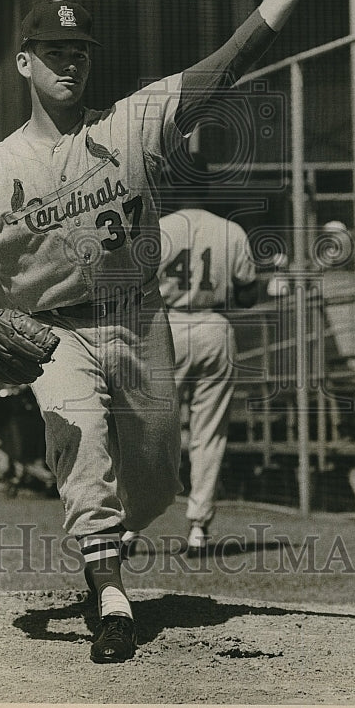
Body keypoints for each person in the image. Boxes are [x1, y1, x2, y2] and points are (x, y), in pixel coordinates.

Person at [0, 0, 333, 663]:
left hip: (141, 321)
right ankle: (112, 598)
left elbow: (224, 67)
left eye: (79, 49)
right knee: (79, 446)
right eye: (53, 51)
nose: (69, 60)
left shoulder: (131, 124)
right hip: (51, 333)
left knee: (157, 483)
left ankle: (101, 552)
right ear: (25, 63)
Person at [158, 201, 258, 556]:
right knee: (210, 433)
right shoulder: (230, 229)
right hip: (214, 326)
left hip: (166, 326)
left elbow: (136, 288)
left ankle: (128, 527)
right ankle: (198, 527)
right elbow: (248, 294)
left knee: (150, 428)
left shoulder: (161, 227)